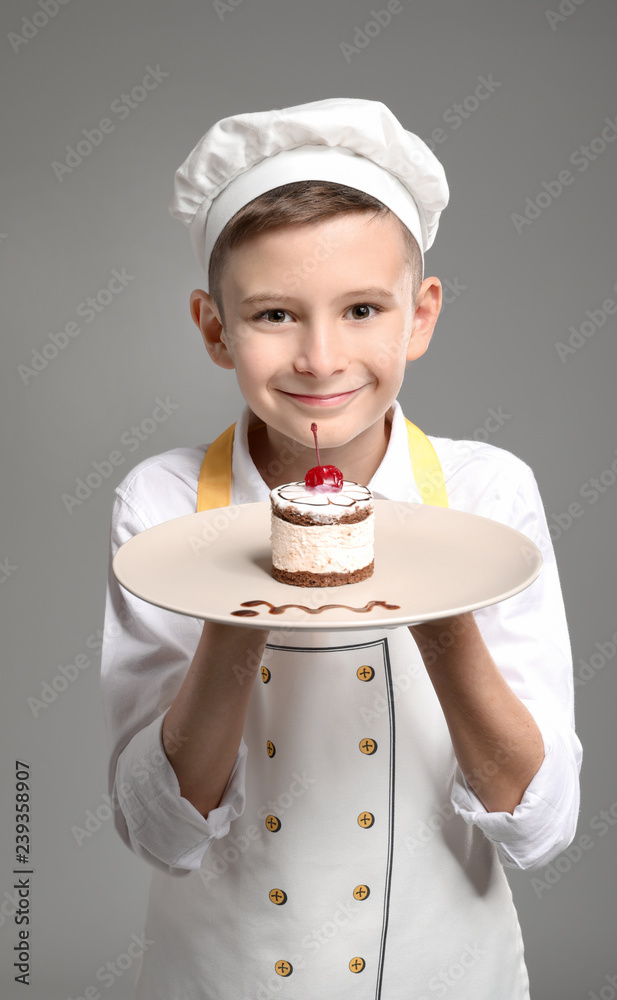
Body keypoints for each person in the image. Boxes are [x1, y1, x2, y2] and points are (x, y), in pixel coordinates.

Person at [100, 97, 582, 999]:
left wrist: (438, 601)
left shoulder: (487, 496)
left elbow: (540, 826)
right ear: (215, 328)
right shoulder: (162, 504)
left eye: (362, 308)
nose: (321, 359)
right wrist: (239, 592)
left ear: (419, 315)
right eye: (275, 314)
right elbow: (161, 835)